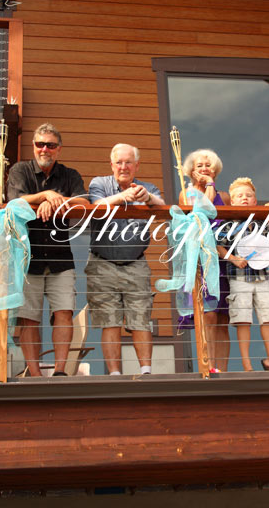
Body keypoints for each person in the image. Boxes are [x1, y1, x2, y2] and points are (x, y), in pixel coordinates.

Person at [7, 123, 88, 377]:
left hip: (60, 257)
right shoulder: (20, 170)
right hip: (27, 257)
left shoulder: (70, 174)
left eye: (50, 145)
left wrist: (57, 201)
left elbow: (84, 202)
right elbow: (14, 200)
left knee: (64, 312)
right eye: (40, 144)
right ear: (33, 146)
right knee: (28, 318)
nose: (45, 149)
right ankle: (34, 374)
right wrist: (45, 195)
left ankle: (60, 371)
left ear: (59, 149)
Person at [86, 143, 165, 375]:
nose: (123, 167)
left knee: (141, 319)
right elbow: (96, 205)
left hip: (136, 262)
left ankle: (146, 372)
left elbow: (162, 206)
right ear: (111, 165)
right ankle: (114, 375)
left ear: (137, 165)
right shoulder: (99, 183)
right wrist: (122, 196)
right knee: (109, 320)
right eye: (119, 162)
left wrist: (148, 197)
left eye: (128, 162)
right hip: (102, 263)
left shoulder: (148, 188)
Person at [216, 178, 269, 372]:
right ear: (232, 201)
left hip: (262, 277)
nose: (244, 198)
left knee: (267, 317)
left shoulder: (261, 224)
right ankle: (247, 364)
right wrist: (233, 258)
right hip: (239, 277)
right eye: (239, 196)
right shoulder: (228, 224)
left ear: (255, 200)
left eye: (249, 195)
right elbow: (218, 246)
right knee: (243, 319)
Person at [180, 148, 231, 372]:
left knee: (223, 318)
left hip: (223, 259)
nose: (204, 168)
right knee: (209, 314)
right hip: (201, 258)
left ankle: (223, 368)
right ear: (191, 170)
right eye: (199, 165)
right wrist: (209, 185)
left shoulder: (225, 197)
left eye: (208, 165)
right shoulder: (187, 194)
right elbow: (206, 209)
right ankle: (209, 365)